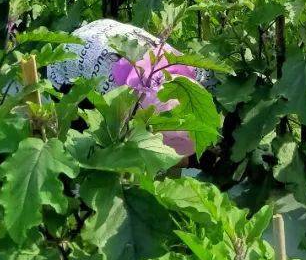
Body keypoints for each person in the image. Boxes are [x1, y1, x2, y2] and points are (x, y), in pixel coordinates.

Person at [47, 19, 211, 158]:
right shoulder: (119, 96)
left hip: (108, 35)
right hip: (69, 60)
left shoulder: (187, 74)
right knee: (85, 142)